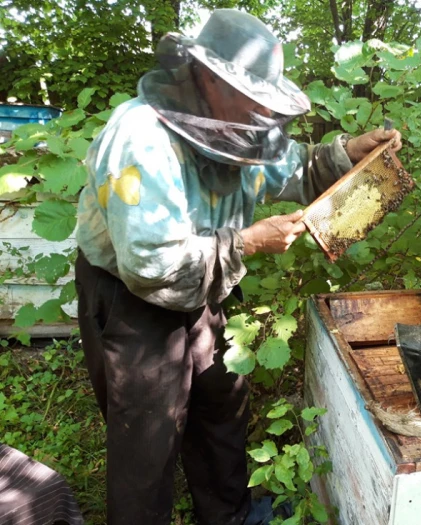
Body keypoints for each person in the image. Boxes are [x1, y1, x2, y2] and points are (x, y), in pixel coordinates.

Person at [74, 8, 401, 525]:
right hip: (130, 300)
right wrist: (247, 243)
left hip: (206, 288)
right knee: (147, 439)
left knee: (221, 408)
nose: (261, 113)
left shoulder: (240, 125)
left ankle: (227, 515)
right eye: (251, 95)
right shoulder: (141, 138)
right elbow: (149, 265)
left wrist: (344, 155)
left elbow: (290, 168)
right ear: (207, 76)